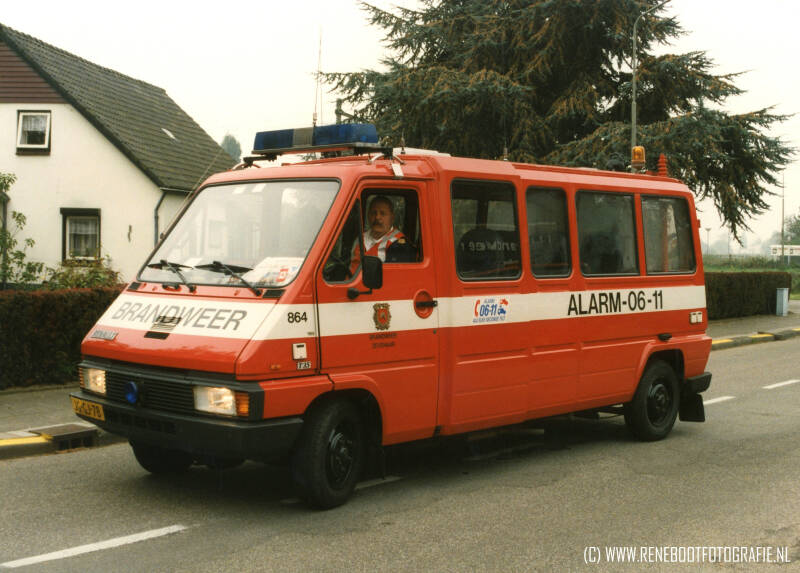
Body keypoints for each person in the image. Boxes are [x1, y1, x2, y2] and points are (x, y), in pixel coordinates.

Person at [350, 196, 406, 273]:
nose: (377, 217)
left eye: (382, 213)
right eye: (374, 213)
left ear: (392, 218)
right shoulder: (360, 239)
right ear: (368, 215)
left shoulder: (400, 244)